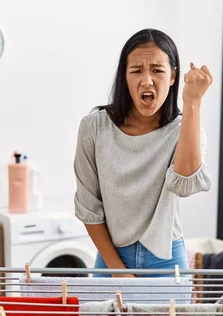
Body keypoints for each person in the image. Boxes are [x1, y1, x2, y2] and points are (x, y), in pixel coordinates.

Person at [73, 28, 212, 278]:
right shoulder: (94, 127)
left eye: (157, 70)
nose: (147, 80)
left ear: (173, 76)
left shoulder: (187, 129)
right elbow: (88, 207)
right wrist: (117, 270)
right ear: (124, 76)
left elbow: (185, 185)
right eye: (136, 70)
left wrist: (192, 102)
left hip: (167, 260)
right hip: (110, 258)